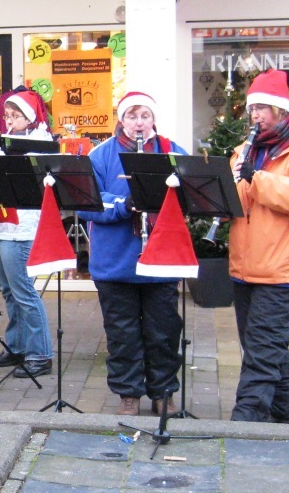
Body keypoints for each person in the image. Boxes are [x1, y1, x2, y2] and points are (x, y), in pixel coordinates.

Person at [76, 91, 186, 416]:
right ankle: (129, 393)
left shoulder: (172, 152)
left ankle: (163, 391)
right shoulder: (101, 155)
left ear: (154, 119)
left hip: (160, 259)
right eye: (132, 116)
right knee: (122, 333)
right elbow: (88, 202)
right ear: (121, 119)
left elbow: (190, 195)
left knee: (163, 331)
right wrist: (124, 205)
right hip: (115, 261)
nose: (139, 123)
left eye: (145, 116)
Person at [228, 69, 289, 423]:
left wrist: (257, 177)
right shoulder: (245, 150)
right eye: (252, 108)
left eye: (262, 108)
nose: (255, 115)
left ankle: (246, 424)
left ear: (281, 110)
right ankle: (285, 416)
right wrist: (223, 194)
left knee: (261, 351)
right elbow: (236, 203)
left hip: (283, 268)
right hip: (245, 265)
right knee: (267, 348)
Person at [0, 90, 54, 380]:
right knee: (8, 290)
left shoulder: (42, 145)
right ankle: (18, 346)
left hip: (21, 227)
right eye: (6, 115)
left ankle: (41, 353)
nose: (9, 120)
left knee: (24, 291)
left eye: (15, 115)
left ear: (30, 117)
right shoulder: (5, 144)